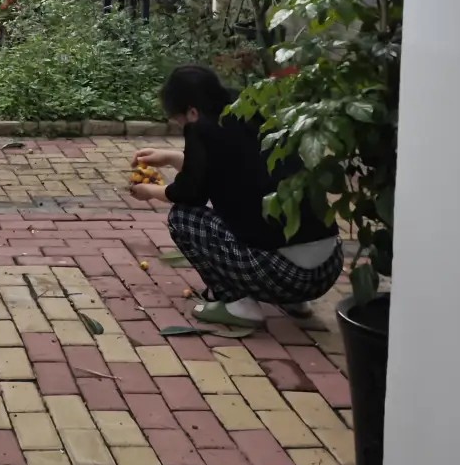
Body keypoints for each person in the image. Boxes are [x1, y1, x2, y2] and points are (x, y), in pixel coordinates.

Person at [130, 64, 342, 333]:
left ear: (192, 112)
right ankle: (294, 302)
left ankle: (237, 304)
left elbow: (189, 194)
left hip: (286, 275)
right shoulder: (247, 111)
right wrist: (171, 157)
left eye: (179, 121)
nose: (183, 128)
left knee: (183, 218)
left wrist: (149, 191)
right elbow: (221, 168)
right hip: (328, 267)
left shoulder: (202, 128)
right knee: (270, 216)